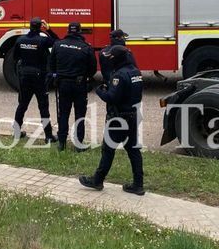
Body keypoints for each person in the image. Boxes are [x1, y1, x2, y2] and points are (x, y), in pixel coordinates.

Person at [79, 45, 145, 195]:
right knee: (134, 150)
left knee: (108, 150)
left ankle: (97, 181)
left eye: (110, 57)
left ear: (117, 59)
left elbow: (112, 97)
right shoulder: (136, 72)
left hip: (118, 119)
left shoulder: (119, 75)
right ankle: (138, 185)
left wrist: (100, 91)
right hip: (133, 116)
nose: (108, 59)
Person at [49, 21, 97, 151]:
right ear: (80, 31)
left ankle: (62, 143)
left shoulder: (58, 45)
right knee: (79, 115)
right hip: (79, 85)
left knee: (63, 114)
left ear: (68, 31)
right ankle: (79, 145)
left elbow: (51, 65)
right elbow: (92, 68)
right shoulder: (86, 47)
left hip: (63, 84)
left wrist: (56, 76)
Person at [12, 17, 58, 143]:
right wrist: (49, 29)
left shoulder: (20, 40)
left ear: (29, 26)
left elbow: (15, 57)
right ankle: (48, 136)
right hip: (39, 77)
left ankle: (16, 132)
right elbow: (57, 42)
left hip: (24, 76)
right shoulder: (43, 40)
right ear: (40, 27)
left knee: (22, 105)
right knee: (43, 107)